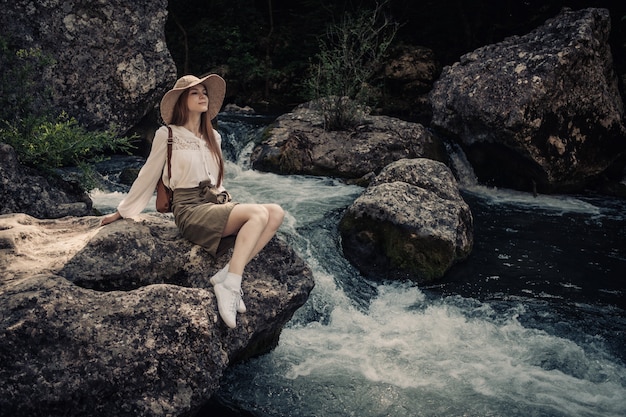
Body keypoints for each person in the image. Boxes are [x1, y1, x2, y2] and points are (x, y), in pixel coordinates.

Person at [101, 74, 284, 328]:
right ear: (182, 101)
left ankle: (227, 274)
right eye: (194, 93)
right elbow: (148, 174)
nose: (202, 97)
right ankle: (231, 284)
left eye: (204, 92)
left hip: (213, 204)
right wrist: (122, 212)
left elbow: (216, 182)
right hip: (188, 209)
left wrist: (230, 207)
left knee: (275, 212)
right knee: (258, 215)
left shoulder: (214, 137)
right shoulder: (167, 134)